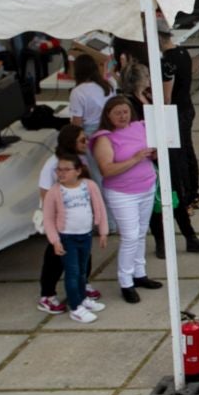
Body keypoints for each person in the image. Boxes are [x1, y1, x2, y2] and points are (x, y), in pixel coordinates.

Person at [89, 95, 161, 304]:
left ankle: (140, 273)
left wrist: (153, 155)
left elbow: (153, 150)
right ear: (108, 115)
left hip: (147, 186)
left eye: (125, 111)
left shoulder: (140, 126)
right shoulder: (104, 138)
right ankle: (125, 281)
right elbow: (107, 169)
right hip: (123, 194)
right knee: (129, 236)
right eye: (117, 113)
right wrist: (135, 158)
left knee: (140, 233)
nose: (122, 116)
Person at [41, 153, 108, 324]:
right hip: (67, 238)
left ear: (78, 171)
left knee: (82, 271)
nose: (61, 173)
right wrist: (55, 240)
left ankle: (82, 297)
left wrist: (103, 231)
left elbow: (99, 208)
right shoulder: (54, 192)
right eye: (59, 170)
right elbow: (48, 218)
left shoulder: (89, 186)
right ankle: (76, 306)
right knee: (72, 272)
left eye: (66, 170)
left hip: (85, 236)